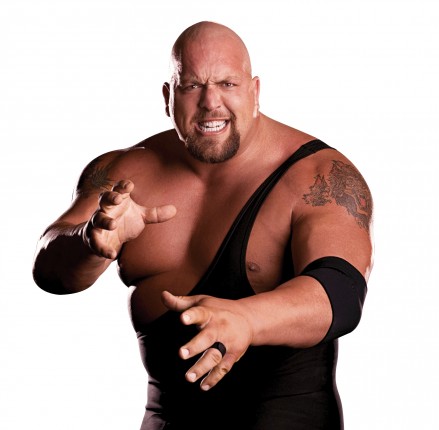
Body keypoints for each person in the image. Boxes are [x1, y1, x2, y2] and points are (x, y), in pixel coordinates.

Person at [32, 20, 374, 430]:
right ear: (168, 97)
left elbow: (342, 290)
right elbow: (49, 271)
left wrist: (248, 319)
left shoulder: (319, 176)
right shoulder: (123, 172)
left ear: (255, 91)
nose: (211, 102)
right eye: (192, 85)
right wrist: (89, 241)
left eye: (228, 84)